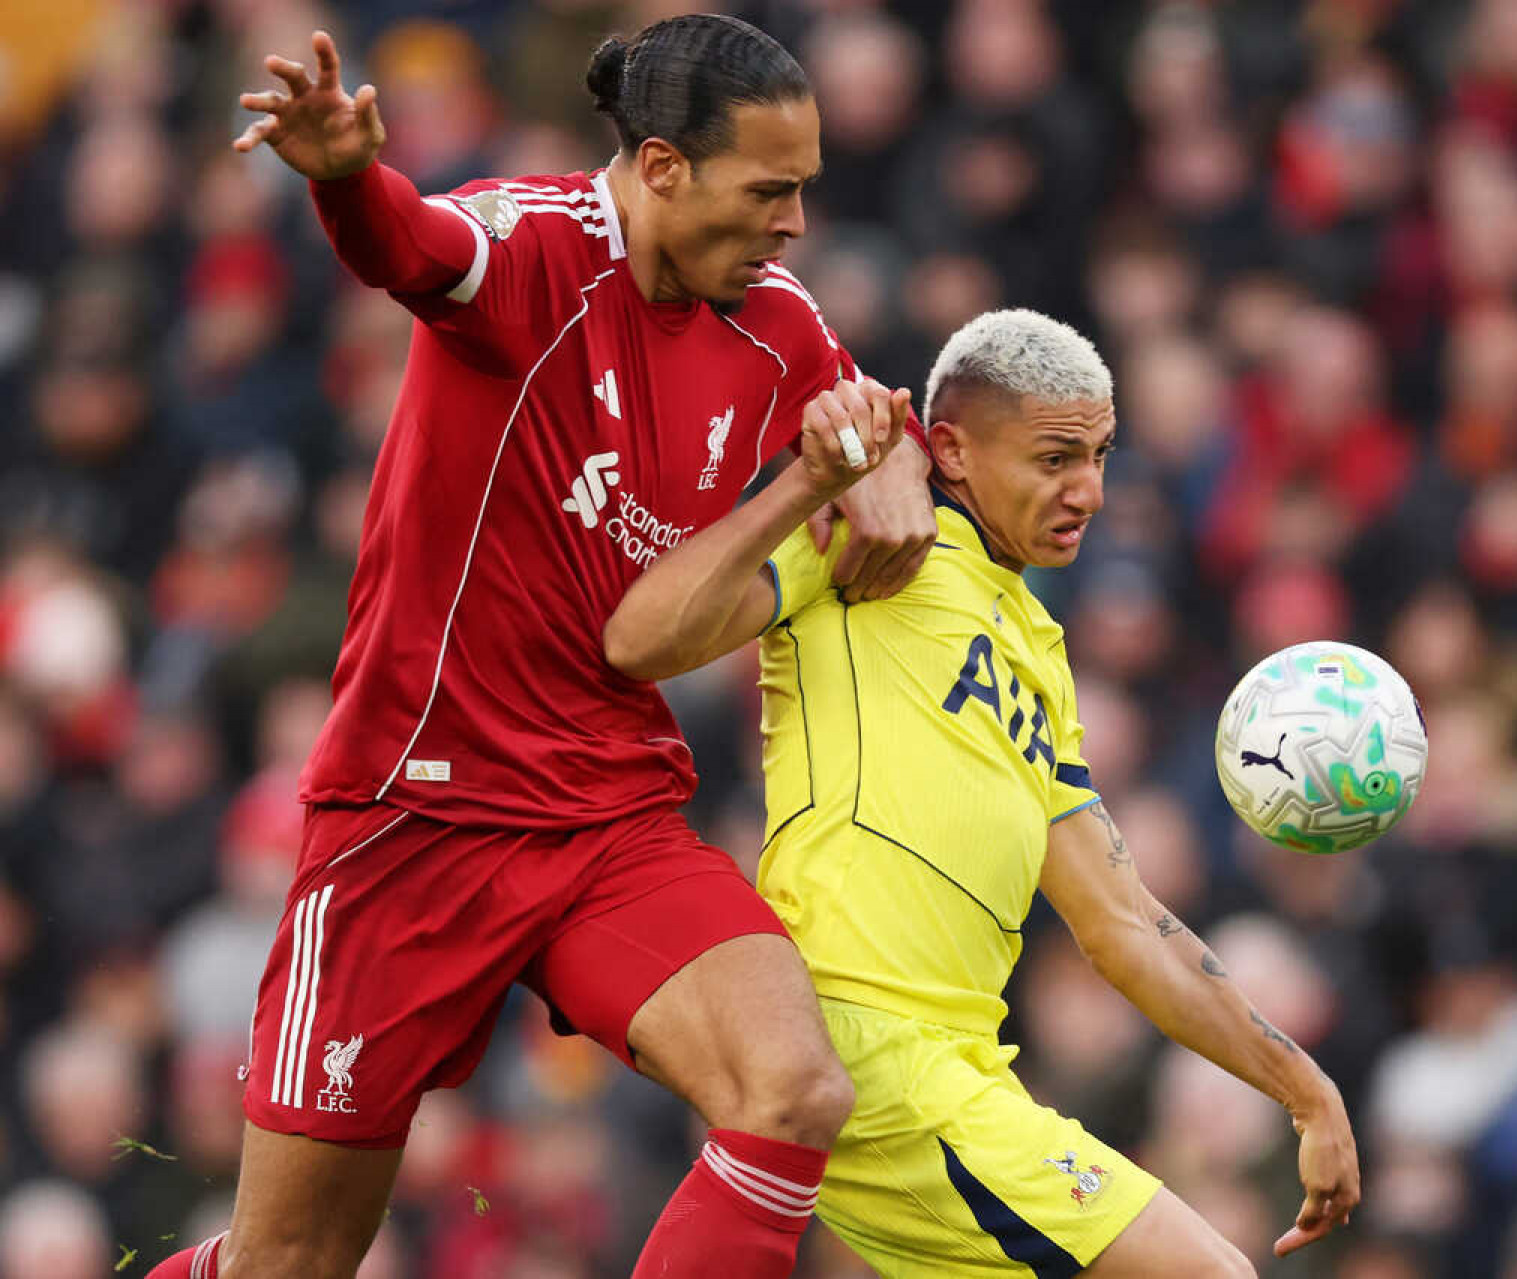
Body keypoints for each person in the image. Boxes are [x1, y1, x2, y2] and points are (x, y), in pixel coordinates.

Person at [149, 16, 936, 1279]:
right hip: (414, 818)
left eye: (803, 189)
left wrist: (893, 469)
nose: (794, 224)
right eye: (768, 191)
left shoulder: (774, 320)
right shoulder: (530, 247)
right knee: (288, 1262)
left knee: (794, 1090)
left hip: (604, 814)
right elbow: (412, 244)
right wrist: (346, 178)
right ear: (664, 166)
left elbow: (867, 419)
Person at [604, 309, 1362, 1275]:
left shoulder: (1039, 651)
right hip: (861, 1044)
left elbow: (1124, 923)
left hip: (965, 1068)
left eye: (1099, 456)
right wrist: (816, 489)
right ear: (953, 450)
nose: (1089, 490)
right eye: (1055, 458)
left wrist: (1305, 1089)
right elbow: (639, 641)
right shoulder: (869, 540)